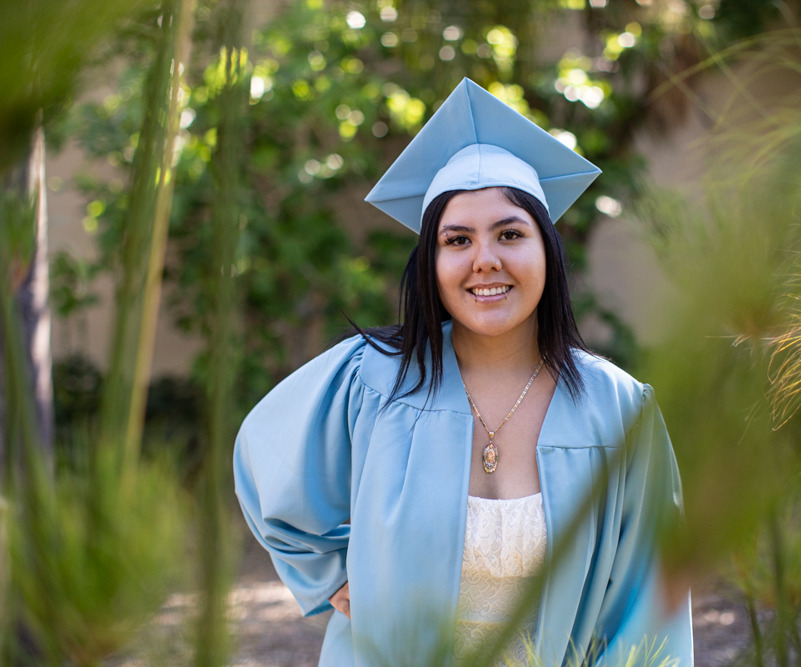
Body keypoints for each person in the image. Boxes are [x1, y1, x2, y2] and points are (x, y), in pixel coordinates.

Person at [234, 78, 693, 667]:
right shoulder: (373, 382)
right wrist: (327, 579)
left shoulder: (619, 410)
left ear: (547, 251)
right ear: (431, 261)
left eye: (509, 233)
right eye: (458, 239)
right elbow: (264, 462)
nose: (486, 260)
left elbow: (650, 603)